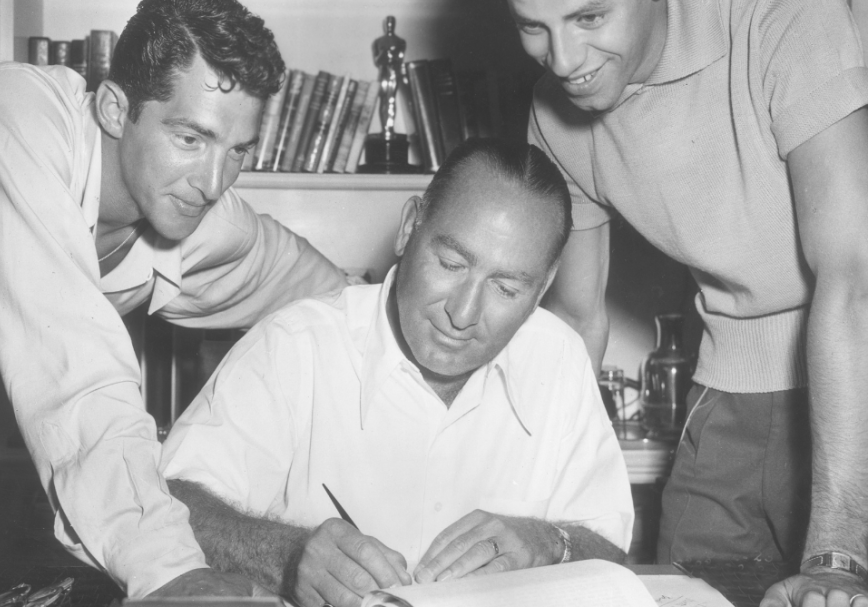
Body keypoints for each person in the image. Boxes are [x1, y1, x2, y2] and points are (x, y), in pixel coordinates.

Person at [0, 0, 348, 597]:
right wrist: (172, 571)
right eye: (190, 138)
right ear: (112, 107)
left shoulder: (197, 211)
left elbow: (320, 290)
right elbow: (76, 367)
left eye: (237, 151)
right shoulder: (8, 113)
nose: (212, 182)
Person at [480, 0, 868, 606]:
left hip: (852, 366)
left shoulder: (785, 15)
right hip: (724, 385)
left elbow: (855, 280)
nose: (563, 61)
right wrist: (530, 509)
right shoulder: (552, 115)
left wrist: (840, 548)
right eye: (534, 27)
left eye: (589, 17)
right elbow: (575, 318)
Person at [159, 139, 634, 607]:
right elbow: (167, 505)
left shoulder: (559, 359)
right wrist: (288, 555)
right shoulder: (295, 345)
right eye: (451, 263)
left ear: (543, 286)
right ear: (410, 227)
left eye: (506, 288)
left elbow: (610, 554)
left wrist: (551, 543)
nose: (463, 313)